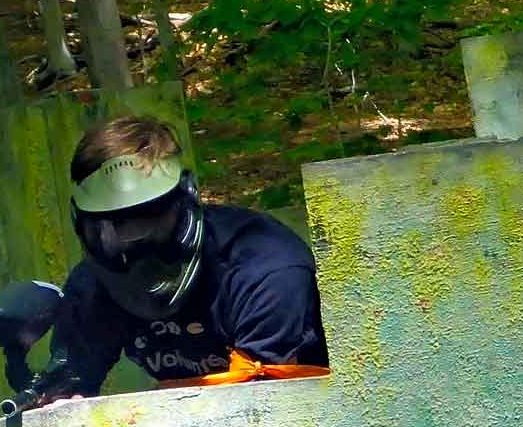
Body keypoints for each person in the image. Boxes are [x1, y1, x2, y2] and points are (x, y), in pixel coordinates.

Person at [22, 116, 329, 406]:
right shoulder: (93, 287)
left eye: (151, 219)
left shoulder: (263, 269)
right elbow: (68, 393)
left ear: (187, 199)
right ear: (82, 223)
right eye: (111, 229)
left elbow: (263, 411)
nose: (135, 247)